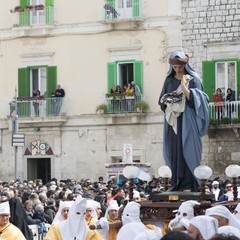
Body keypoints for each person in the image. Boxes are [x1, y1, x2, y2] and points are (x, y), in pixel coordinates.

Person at [158, 50, 209, 191]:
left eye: (180, 67)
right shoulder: (168, 80)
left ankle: (192, 184)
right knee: (175, 151)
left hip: (188, 121)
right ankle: (177, 183)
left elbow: (198, 101)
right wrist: (169, 101)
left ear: (186, 65)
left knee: (189, 149)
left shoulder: (194, 79)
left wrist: (185, 87)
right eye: (175, 67)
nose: (178, 69)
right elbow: (162, 101)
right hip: (173, 122)